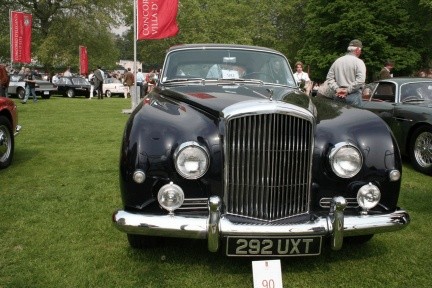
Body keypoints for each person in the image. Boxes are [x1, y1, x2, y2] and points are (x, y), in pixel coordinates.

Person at [326, 39, 366, 107]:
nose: (360, 52)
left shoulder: (337, 61)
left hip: (338, 95)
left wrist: (337, 89)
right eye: (360, 50)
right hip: (354, 96)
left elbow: (329, 78)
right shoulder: (359, 62)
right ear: (357, 50)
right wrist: (347, 90)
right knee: (355, 117)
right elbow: (361, 80)